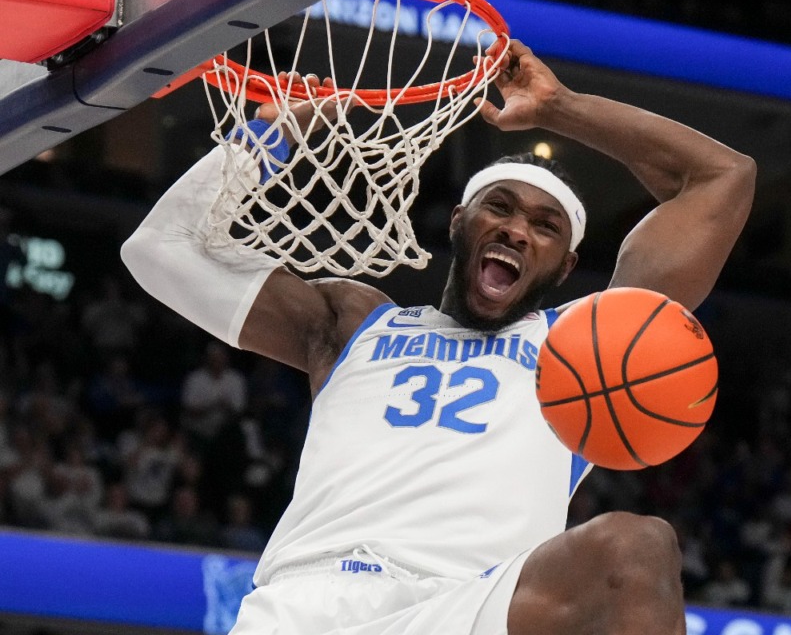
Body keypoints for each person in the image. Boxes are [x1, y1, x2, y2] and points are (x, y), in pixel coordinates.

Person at [121, 40, 754, 635]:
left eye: (545, 225)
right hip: (302, 602)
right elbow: (159, 250)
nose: (516, 230)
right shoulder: (352, 324)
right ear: (460, 222)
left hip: (461, 605)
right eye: (499, 207)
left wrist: (560, 109)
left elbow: (723, 178)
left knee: (636, 546)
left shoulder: (589, 347)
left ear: (564, 267)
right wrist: (274, 134)